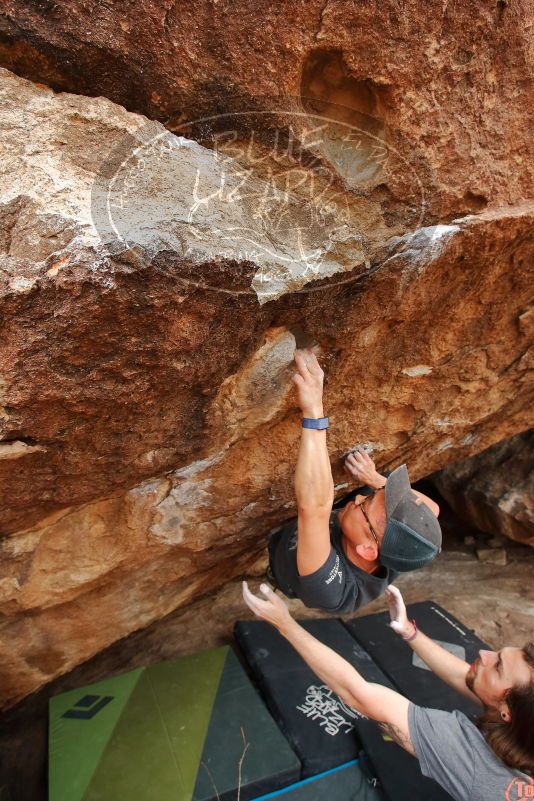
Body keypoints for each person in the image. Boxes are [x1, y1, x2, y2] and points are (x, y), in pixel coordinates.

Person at [242, 581, 534, 801]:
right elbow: (468, 678)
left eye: (497, 666)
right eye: (498, 653)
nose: (484, 653)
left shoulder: (468, 757)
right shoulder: (524, 724)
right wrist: (409, 631)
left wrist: (285, 624)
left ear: (507, 712)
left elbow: (357, 693)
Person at [268, 348, 442, 613]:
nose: (359, 497)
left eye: (365, 504)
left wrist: (314, 410)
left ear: (367, 550)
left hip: (282, 561)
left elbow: (314, 509)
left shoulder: (331, 590)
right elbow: (432, 510)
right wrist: (373, 479)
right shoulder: (402, 546)